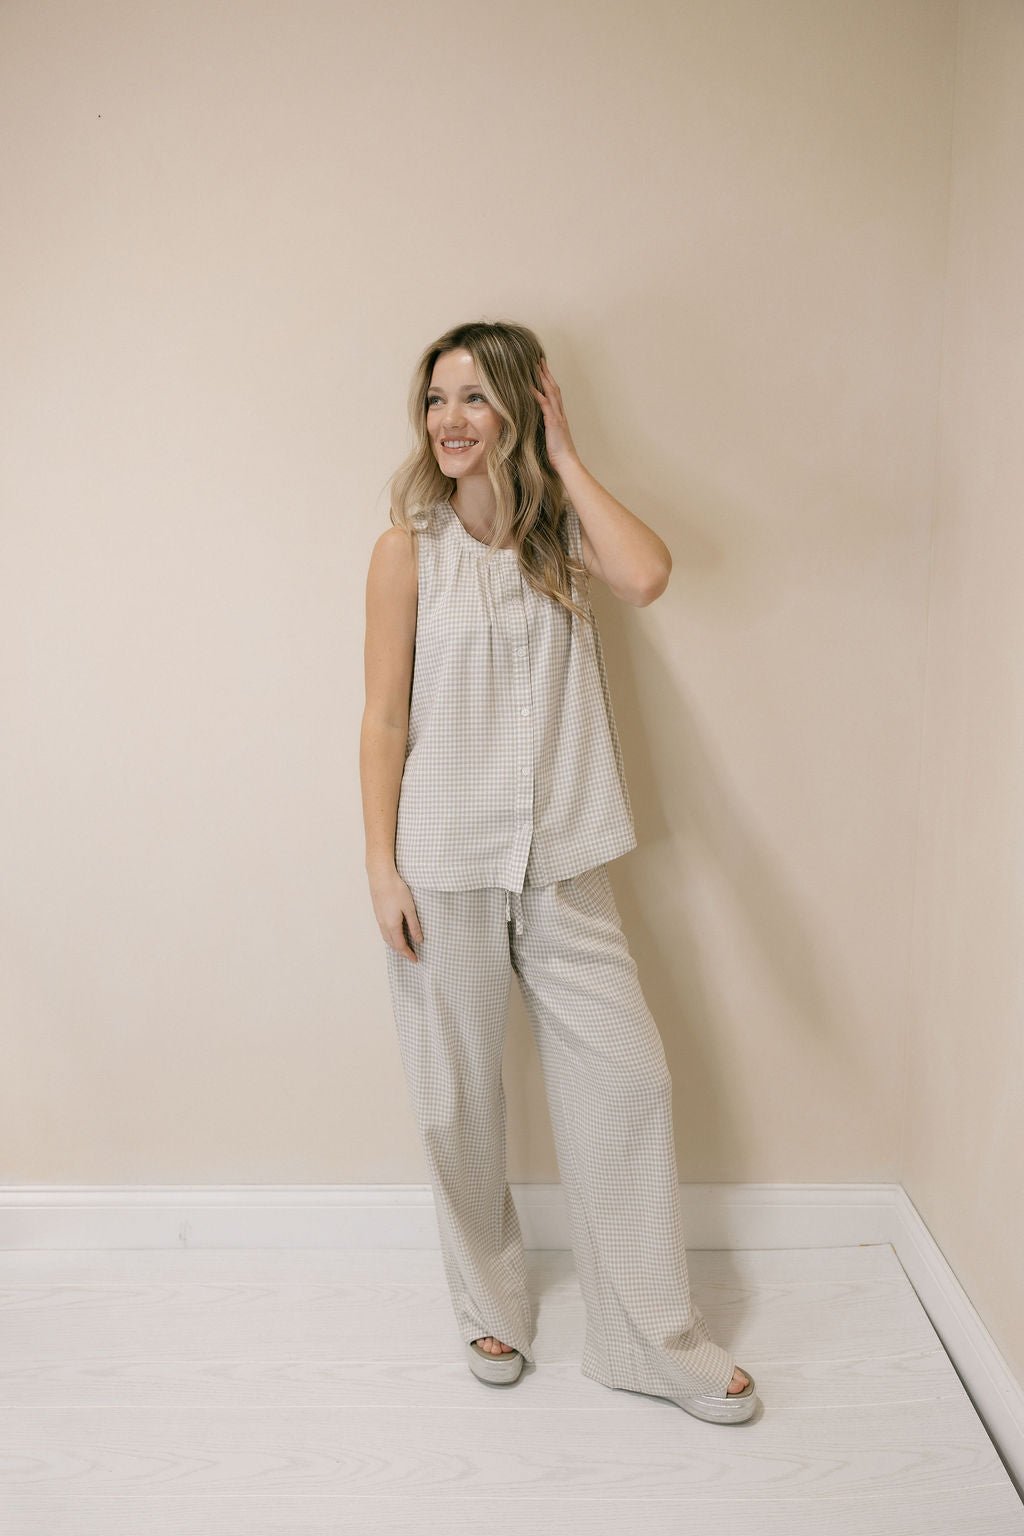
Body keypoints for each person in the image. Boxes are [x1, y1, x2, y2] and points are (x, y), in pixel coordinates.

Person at [360, 319, 758, 1424]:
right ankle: (489, 1304)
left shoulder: (561, 539)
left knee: (628, 1084)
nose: (449, 419)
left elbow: (649, 575)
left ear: (519, 411)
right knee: (456, 1102)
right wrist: (381, 867)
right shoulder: (405, 552)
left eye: (475, 398)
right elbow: (383, 719)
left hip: (563, 859)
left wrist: (567, 456)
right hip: (442, 861)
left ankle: (648, 1341)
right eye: (436, 397)